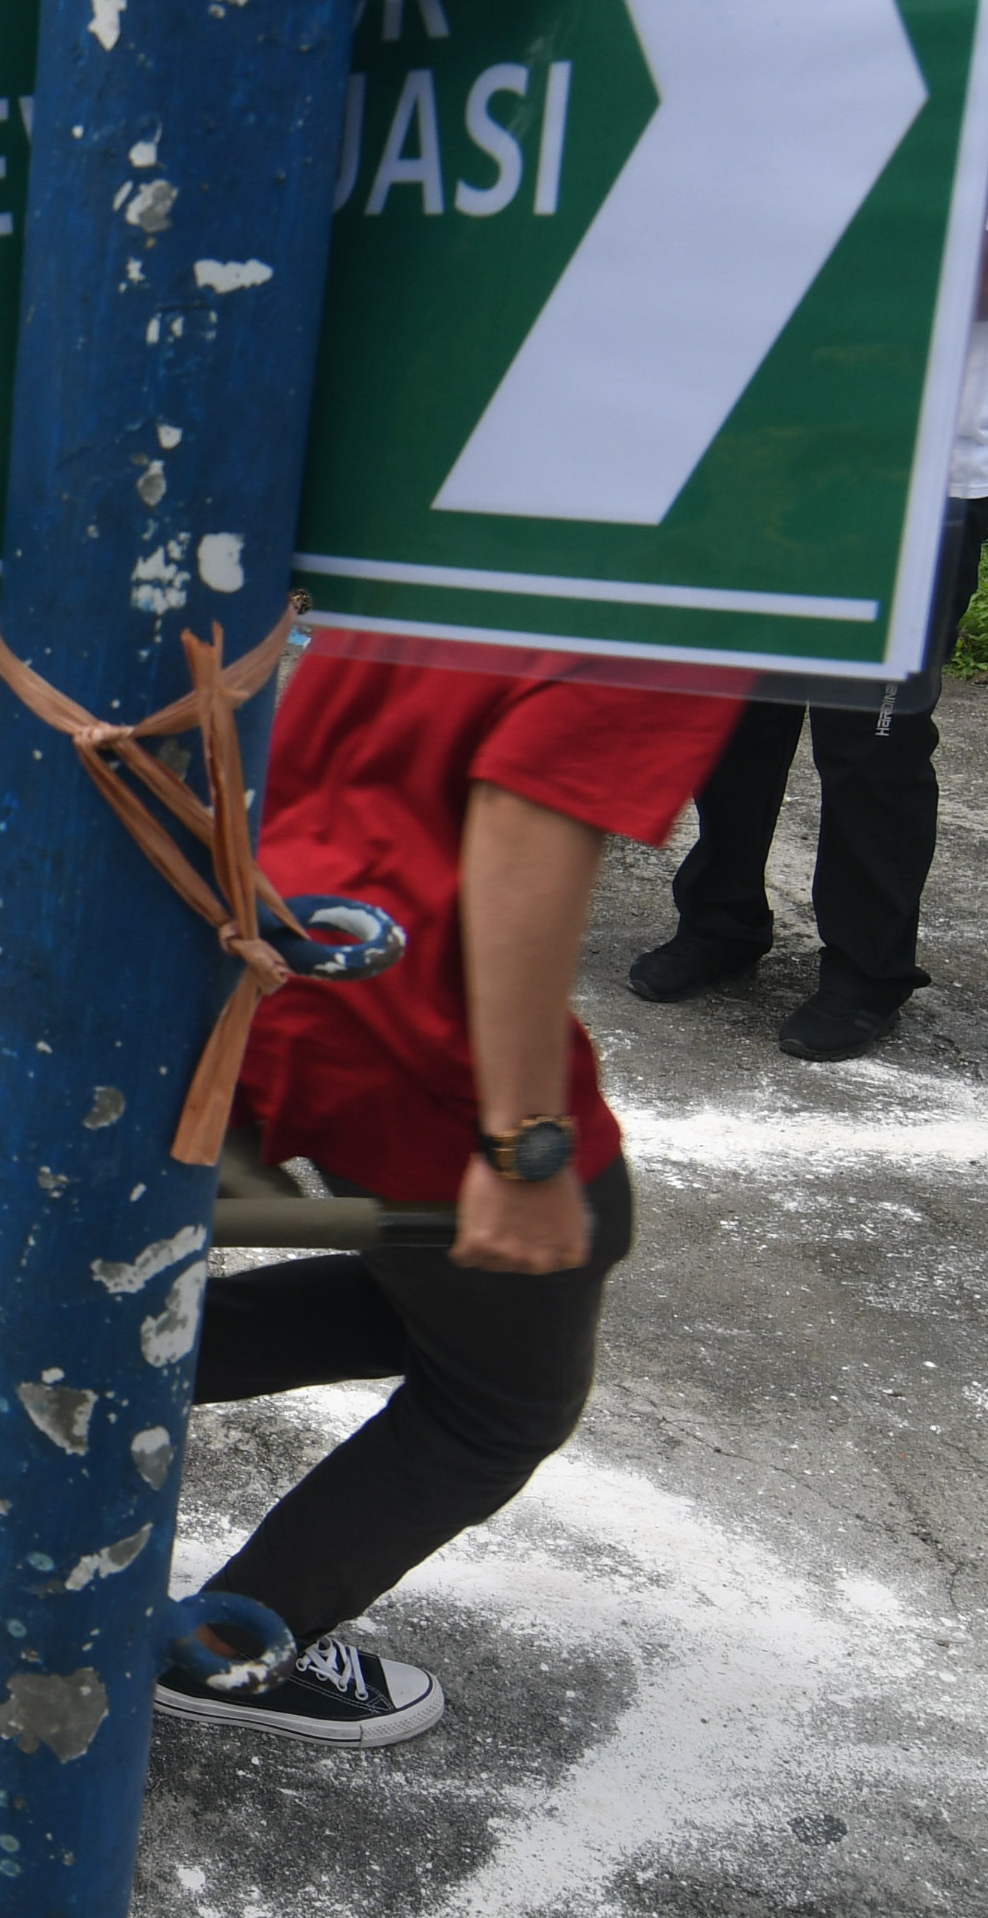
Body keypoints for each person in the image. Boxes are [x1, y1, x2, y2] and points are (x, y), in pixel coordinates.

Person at [156, 637, 738, 1746]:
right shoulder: (679, 580)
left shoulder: (484, 533)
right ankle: (224, 1654)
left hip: (287, 935)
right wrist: (523, 1138)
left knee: (457, 1304)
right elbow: (529, 824)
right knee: (502, 1400)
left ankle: (81, 1355)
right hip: (400, 1009)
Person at [624, 49, 988, 1060]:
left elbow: (985, 278)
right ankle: (721, 922)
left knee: (872, 743)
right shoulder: (836, 71)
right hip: (766, 466)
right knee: (735, 720)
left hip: (911, 484)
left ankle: (866, 971)